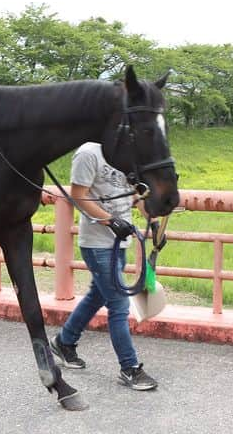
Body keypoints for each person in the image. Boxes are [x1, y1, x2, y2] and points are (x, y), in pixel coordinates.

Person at [49, 142, 159, 391]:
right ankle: (129, 368)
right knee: (119, 304)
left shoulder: (126, 154)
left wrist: (154, 213)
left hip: (120, 242)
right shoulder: (89, 153)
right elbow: (78, 195)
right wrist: (110, 221)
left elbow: (137, 198)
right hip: (98, 244)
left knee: (96, 295)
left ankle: (65, 342)